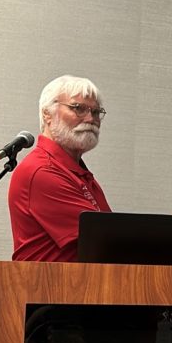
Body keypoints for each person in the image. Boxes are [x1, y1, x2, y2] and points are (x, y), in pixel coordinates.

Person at [9, 75, 110, 262]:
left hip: (78, 286)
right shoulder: (41, 171)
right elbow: (105, 239)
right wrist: (171, 236)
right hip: (52, 288)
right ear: (47, 113)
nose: (91, 119)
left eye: (96, 112)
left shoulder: (77, 172)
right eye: (78, 108)